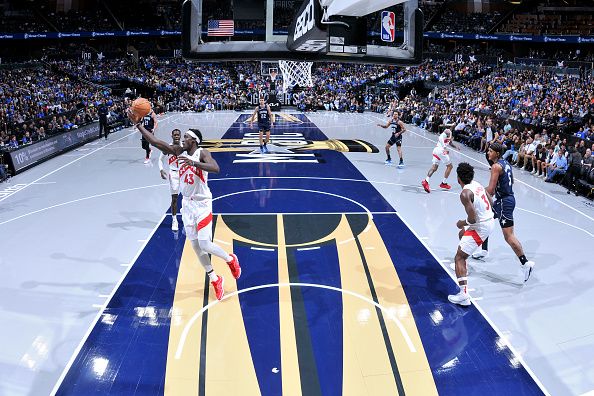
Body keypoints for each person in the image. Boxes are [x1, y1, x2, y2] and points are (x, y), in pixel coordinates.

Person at [131, 112, 241, 301]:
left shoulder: (202, 153)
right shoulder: (178, 151)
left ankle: (230, 259)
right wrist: (139, 126)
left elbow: (216, 168)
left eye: (187, 138)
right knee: (195, 246)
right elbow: (157, 142)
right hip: (187, 205)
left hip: (203, 203)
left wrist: (194, 163)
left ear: (194, 141)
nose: (183, 140)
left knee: (205, 243)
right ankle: (215, 279)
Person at [472, 143, 535, 283]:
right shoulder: (505, 163)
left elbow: (491, 190)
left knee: (509, 236)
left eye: (490, 151)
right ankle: (484, 250)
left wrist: (476, 190)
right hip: (504, 200)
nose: (488, 153)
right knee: (484, 220)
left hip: (504, 202)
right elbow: (510, 181)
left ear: (497, 153)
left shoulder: (495, 167)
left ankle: (526, 264)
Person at [448, 162, 495, 306]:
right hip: (489, 221)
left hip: (480, 227)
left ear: (458, 178)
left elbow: (472, 219)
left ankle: (463, 295)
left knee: (459, 258)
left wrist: (461, 222)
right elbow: (491, 202)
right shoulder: (477, 184)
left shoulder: (464, 193)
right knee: (462, 235)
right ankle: (464, 266)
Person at [159, 129, 182, 231]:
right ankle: (174, 219)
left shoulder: (184, 146)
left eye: (178, 135)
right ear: (171, 136)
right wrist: (161, 170)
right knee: (175, 198)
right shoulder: (167, 147)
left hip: (184, 172)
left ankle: (188, 217)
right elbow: (160, 159)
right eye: (175, 135)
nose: (177, 136)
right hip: (173, 173)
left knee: (189, 196)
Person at [421, 128, 458, 193]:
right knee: (450, 166)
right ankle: (443, 183)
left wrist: (456, 147)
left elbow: (450, 143)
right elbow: (440, 137)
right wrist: (444, 147)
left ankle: (426, 181)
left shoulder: (449, 137)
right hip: (441, 150)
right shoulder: (447, 132)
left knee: (434, 167)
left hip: (436, 150)